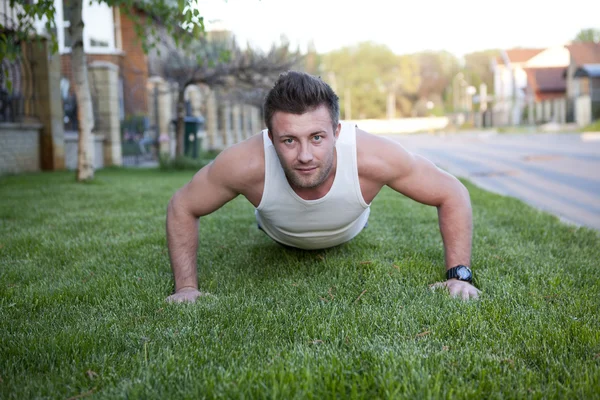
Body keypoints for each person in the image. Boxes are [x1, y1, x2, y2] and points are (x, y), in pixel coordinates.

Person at [166, 71, 480, 303]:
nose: (304, 156)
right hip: (278, 230)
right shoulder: (245, 163)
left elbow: (452, 192)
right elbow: (182, 205)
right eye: (289, 140)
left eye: (317, 137)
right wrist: (186, 288)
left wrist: (459, 275)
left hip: (350, 225)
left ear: (337, 131)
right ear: (271, 138)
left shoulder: (372, 156)